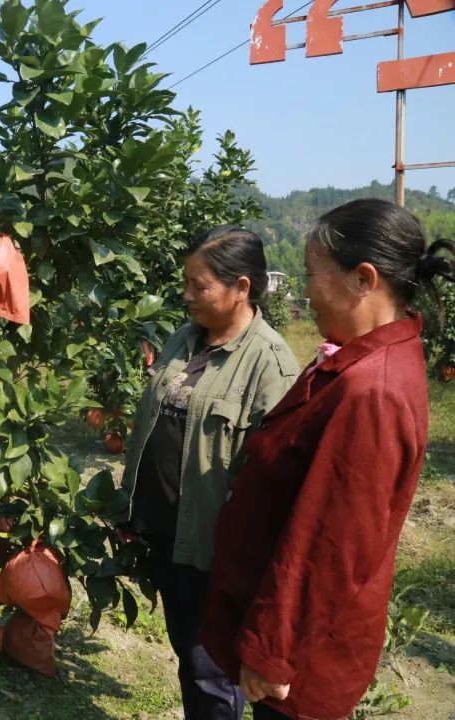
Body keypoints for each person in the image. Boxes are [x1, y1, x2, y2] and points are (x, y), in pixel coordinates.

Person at [201, 199, 455, 720]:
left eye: (314, 275)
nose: (307, 291)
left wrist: (273, 655)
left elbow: (329, 544)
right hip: (295, 636)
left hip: (300, 661)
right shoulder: (366, 363)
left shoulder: (371, 393)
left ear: (364, 279)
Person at [121, 226, 299, 720]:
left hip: (211, 550)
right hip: (168, 535)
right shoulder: (186, 337)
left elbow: (272, 482)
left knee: (210, 669)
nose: (187, 296)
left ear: (241, 287)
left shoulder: (271, 366)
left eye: (199, 286)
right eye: (186, 283)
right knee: (190, 653)